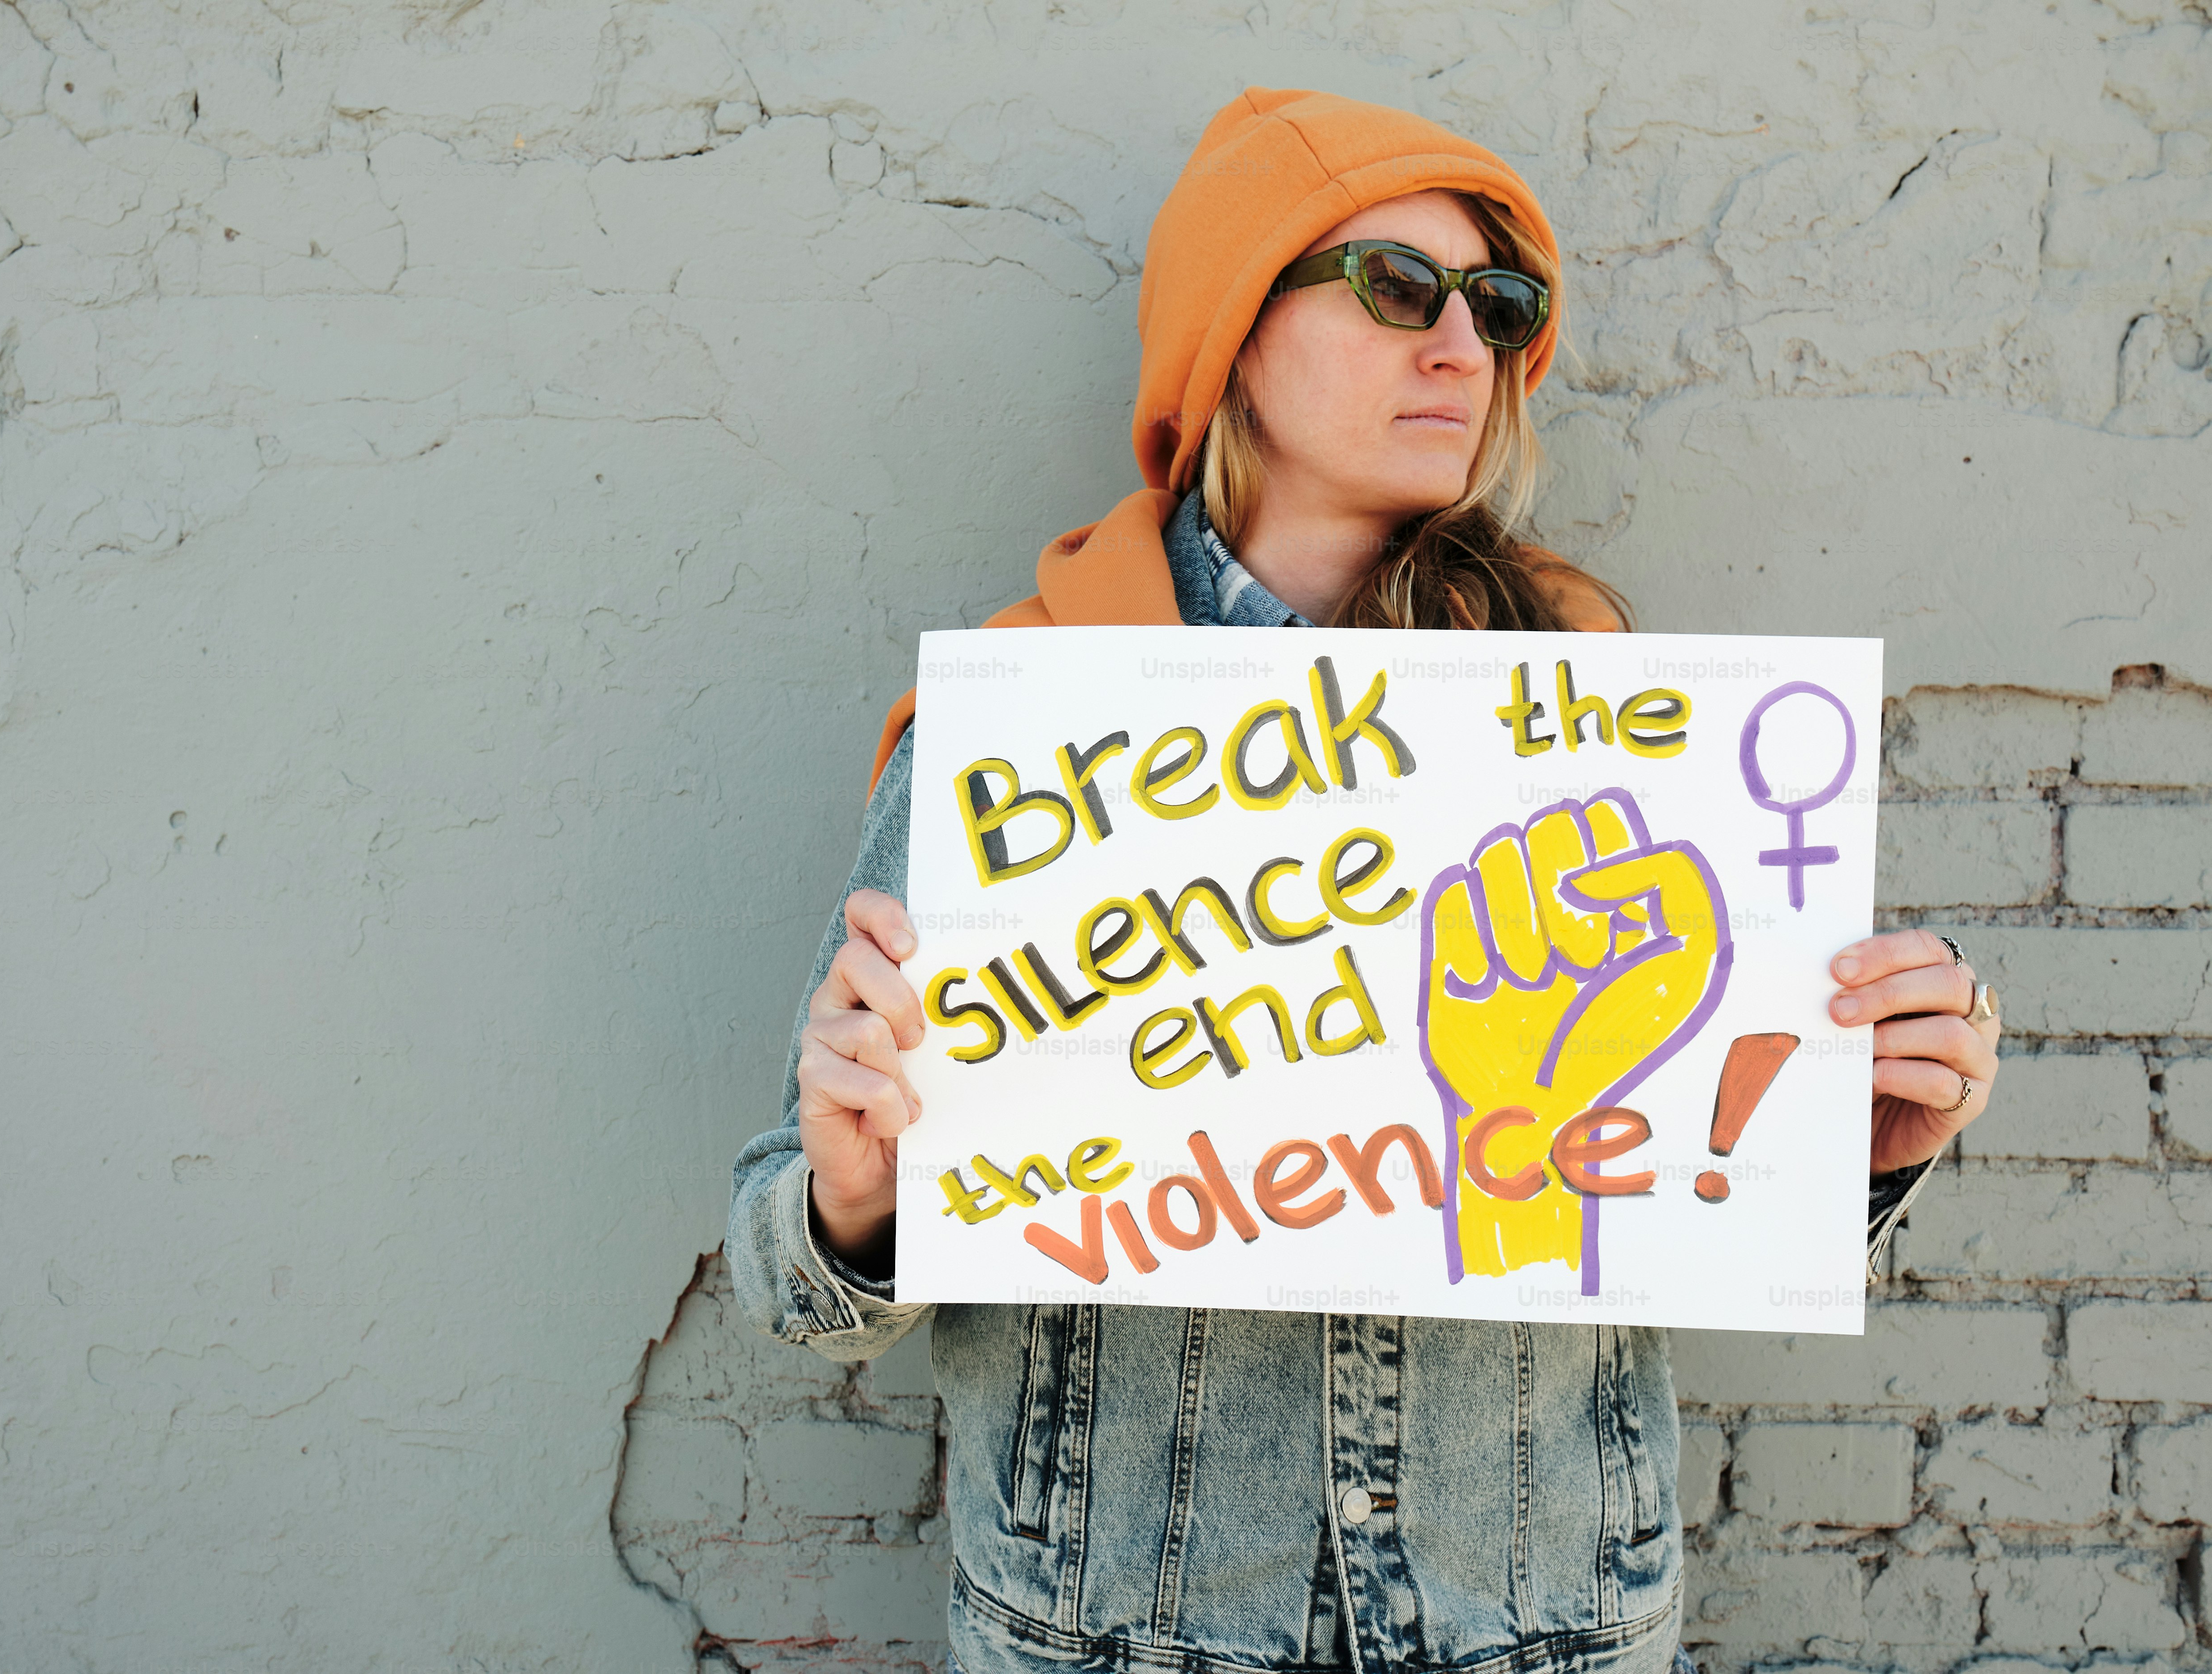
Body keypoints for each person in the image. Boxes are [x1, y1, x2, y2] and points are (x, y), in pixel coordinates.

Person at [728, 88, 2004, 1674]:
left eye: (1500, 307)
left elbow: (1702, 1209)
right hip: (1114, 1635)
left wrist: (1860, 1151)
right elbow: (784, 1282)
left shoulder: (1623, 741)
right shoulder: (1025, 736)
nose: (1463, 348)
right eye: (1400, 291)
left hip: (1543, 1629)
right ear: (1234, 343)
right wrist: (856, 1204)